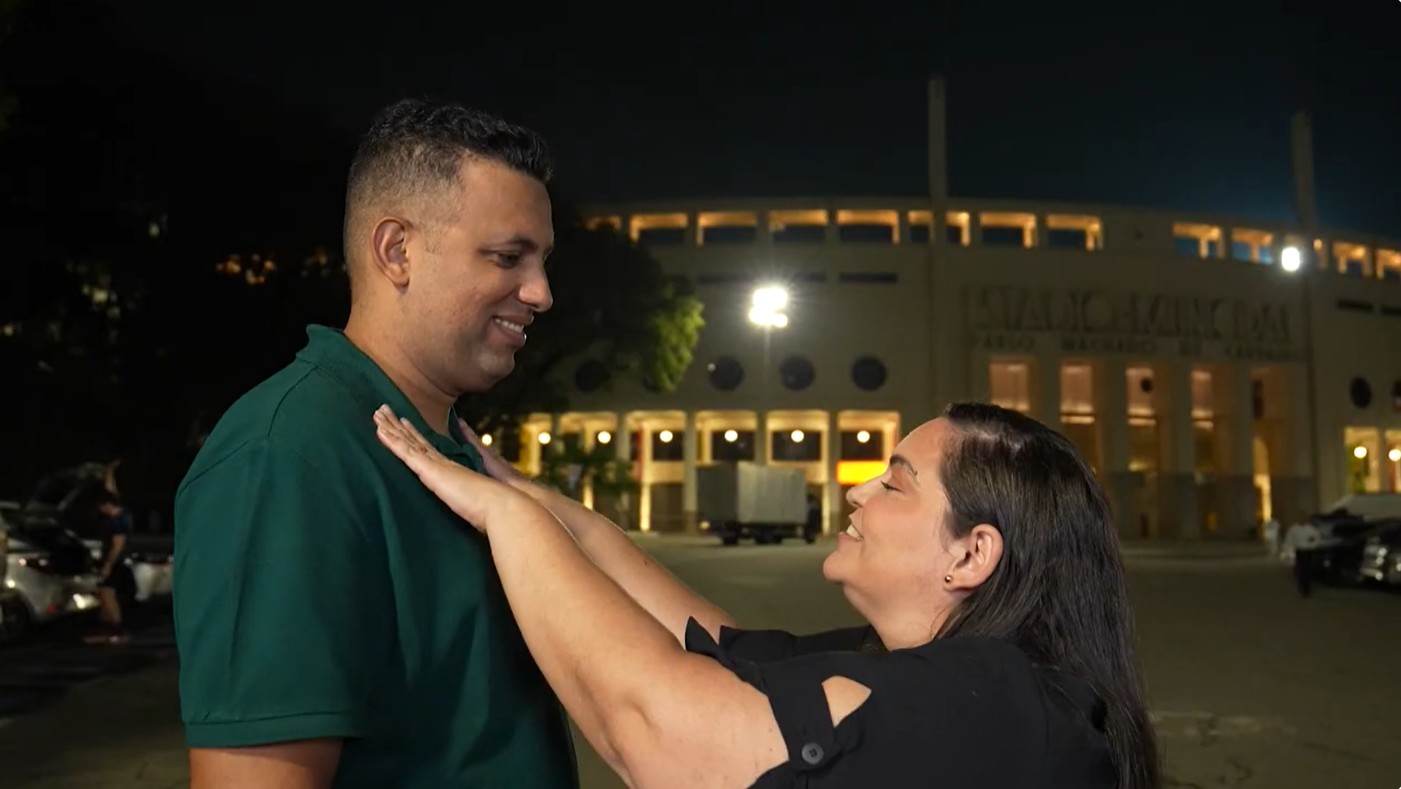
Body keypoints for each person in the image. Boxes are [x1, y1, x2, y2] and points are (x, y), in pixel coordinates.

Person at [373, 402, 1161, 788]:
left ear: (969, 553)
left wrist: (504, 518)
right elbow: (702, 640)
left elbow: (651, 723)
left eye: (893, 482)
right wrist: (536, 499)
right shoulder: (917, 668)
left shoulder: (995, 701)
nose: (856, 491)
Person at [172, 99, 579, 788]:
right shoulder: (289, 455)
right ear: (396, 251)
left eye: (541, 260)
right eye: (508, 256)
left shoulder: (452, 450)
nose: (540, 292)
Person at [86, 490, 135, 644]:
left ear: (107, 505)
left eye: (101, 507)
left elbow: (118, 544)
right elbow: (112, 490)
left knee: (108, 593)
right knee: (103, 592)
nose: (100, 511)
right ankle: (106, 629)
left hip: (116, 562)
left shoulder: (118, 520)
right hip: (115, 561)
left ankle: (118, 629)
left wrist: (108, 564)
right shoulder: (123, 515)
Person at [1283, 513, 1323, 597]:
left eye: (1303, 518)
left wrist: (1313, 545)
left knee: (1307, 569)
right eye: (1300, 518)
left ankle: (1306, 588)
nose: (1302, 520)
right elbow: (1289, 540)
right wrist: (1287, 551)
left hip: (1308, 551)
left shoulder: (1311, 529)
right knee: (1300, 569)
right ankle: (1302, 586)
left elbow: (1317, 538)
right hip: (1299, 551)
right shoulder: (1293, 529)